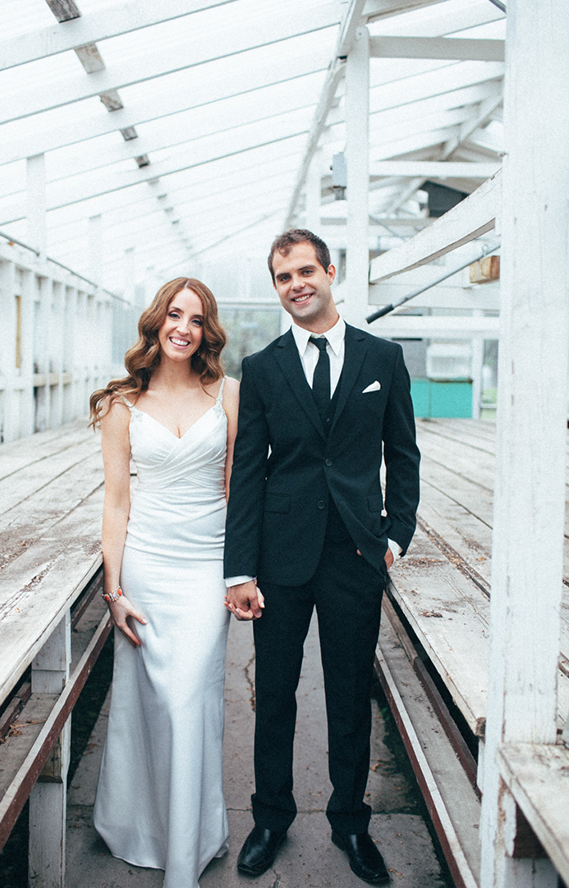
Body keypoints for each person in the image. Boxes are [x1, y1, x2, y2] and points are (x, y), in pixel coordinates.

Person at [224, 230, 420, 885]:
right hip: (281, 556)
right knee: (275, 695)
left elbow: (404, 454)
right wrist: (240, 569)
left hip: (356, 555)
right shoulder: (261, 368)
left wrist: (395, 537)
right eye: (283, 277)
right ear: (276, 287)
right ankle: (270, 819)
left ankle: (351, 823)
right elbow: (248, 471)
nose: (296, 285)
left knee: (349, 697)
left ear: (330, 273)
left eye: (305, 271)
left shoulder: (383, 358)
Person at [89, 277, 239, 888]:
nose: (184, 328)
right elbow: (116, 503)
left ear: (207, 332)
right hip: (147, 564)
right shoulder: (121, 405)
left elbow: (238, 489)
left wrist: (243, 572)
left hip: (208, 566)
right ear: (156, 322)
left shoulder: (228, 393)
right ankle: (137, 828)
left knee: (189, 701)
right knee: (145, 702)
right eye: (175, 315)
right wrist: (114, 591)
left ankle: (190, 844)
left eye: (196, 320)